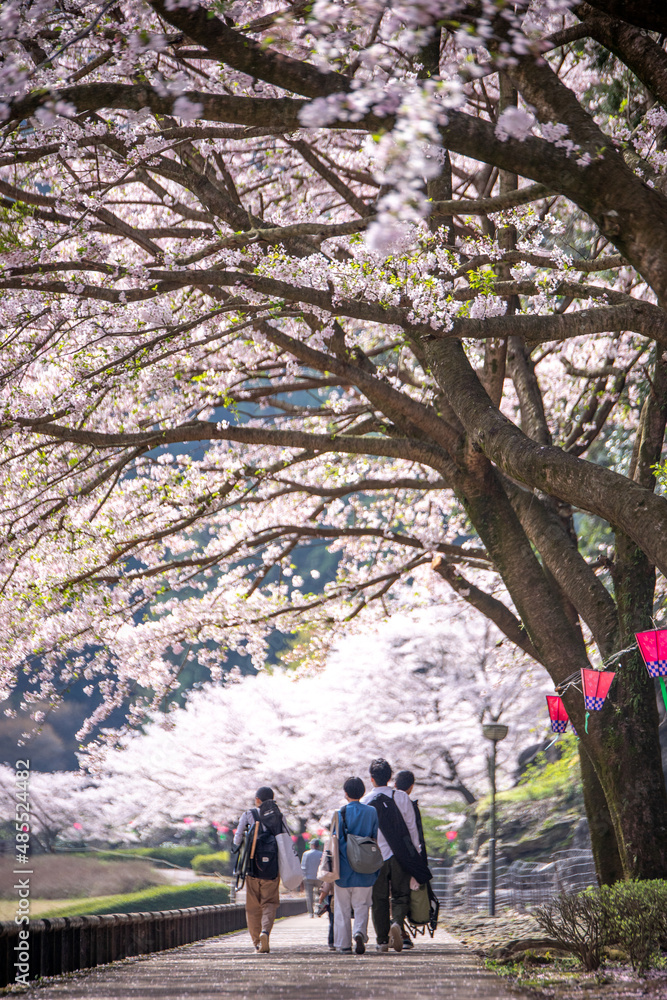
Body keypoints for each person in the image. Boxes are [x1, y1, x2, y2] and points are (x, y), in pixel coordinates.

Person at [362, 758, 427, 953]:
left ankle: (382, 941)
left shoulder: (366, 801)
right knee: (401, 894)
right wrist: (416, 852)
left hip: (376, 857)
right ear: (390, 778)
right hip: (400, 855)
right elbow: (412, 828)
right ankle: (397, 923)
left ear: (372, 779)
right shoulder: (401, 797)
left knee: (379, 898)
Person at [332, 776, 379, 954]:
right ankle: (359, 931)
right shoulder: (371, 812)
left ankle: (344, 944)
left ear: (345, 793)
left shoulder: (339, 813)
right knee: (362, 904)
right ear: (363, 792)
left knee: (342, 907)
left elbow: (334, 841)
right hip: (365, 866)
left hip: (343, 867)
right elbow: (374, 837)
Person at [232, 786, 281, 954]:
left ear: (258, 800)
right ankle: (265, 932)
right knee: (269, 904)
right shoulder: (278, 816)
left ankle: (257, 943)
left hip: (253, 867)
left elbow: (237, 839)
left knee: (253, 908)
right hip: (272, 869)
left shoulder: (249, 814)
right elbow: (284, 840)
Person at [394, 769, 426, 950]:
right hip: (407, 855)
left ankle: (388, 934)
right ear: (411, 787)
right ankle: (402, 931)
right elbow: (416, 833)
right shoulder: (409, 803)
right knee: (404, 894)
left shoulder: (381, 801)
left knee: (390, 895)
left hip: (384, 855)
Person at [301, 838, 323, 917]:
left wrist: (302, 877)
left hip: (308, 877)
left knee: (309, 896)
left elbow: (303, 866)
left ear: (312, 845)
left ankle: (311, 912)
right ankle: (319, 910)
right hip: (319, 877)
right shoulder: (321, 854)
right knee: (321, 895)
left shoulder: (306, 854)